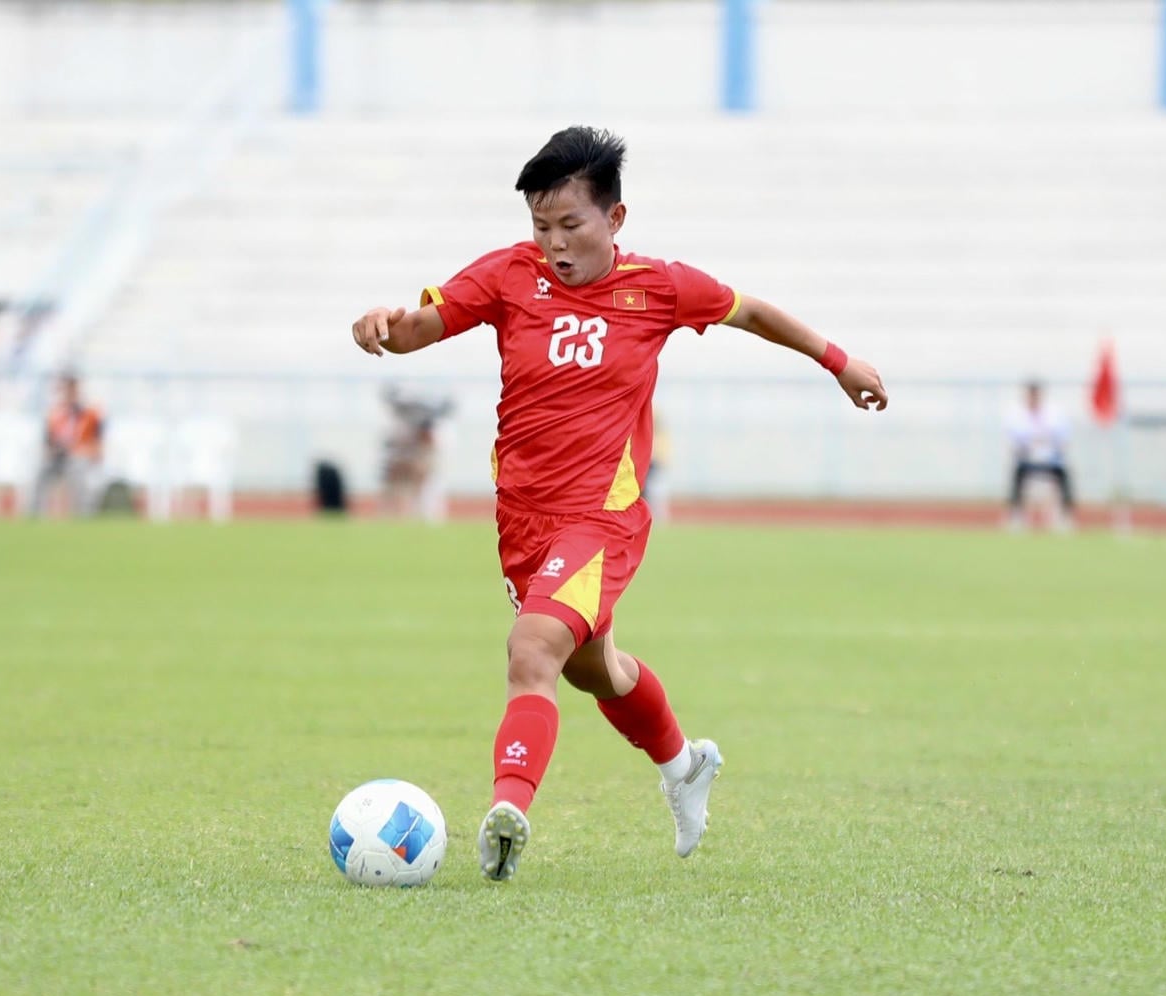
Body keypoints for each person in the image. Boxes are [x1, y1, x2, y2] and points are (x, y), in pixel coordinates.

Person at [351, 126, 888, 883]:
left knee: (533, 649)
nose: (555, 243)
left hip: (601, 517)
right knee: (591, 667)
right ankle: (683, 764)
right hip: (523, 518)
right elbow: (419, 329)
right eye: (541, 227)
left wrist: (838, 361)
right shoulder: (511, 276)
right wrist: (381, 327)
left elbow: (753, 311)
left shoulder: (658, 288)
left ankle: (508, 813)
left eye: (571, 225)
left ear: (616, 219)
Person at [30, 373, 104, 518]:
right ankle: (35, 515)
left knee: (78, 469)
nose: (69, 394)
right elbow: (47, 444)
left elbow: (98, 447)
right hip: (57, 459)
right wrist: (54, 451)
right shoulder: (55, 415)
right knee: (39, 470)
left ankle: (83, 516)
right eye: (66, 390)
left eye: (72, 390)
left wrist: (78, 451)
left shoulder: (91, 415)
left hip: (79, 458)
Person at [1005, 380, 1074, 530]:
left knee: (1064, 474)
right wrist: (1029, 447)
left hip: (1051, 460)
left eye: (1036, 395)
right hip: (1027, 460)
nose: (1033, 398)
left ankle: (1065, 516)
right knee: (1017, 474)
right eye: (1030, 395)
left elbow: (1062, 439)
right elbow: (1015, 442)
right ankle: (1016, 516)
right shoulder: (1016, 415)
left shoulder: (1054, 414)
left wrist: (1048, 445)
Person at [379, 385, 454, 521]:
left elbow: (430, 451)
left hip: (425, 467)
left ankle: (425, 520)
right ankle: (394, 518)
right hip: (407, 464)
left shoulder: (438, 431)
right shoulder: (398, 426)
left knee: (427, 493)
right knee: (397, 492)